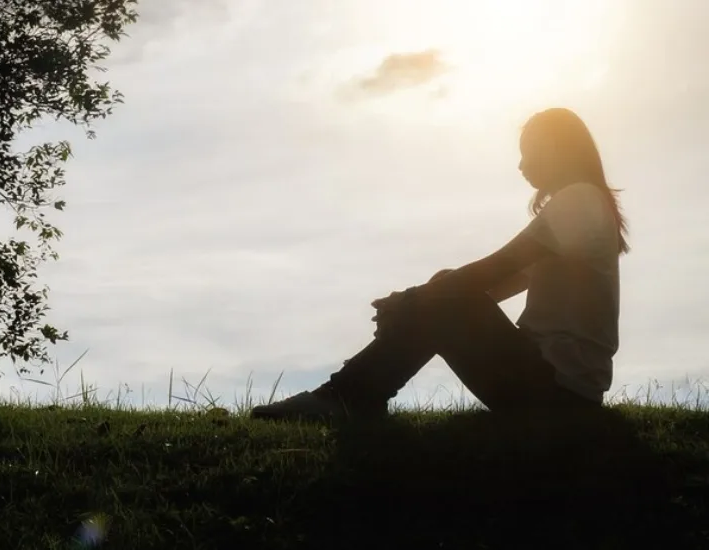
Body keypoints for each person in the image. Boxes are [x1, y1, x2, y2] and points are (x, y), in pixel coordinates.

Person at [251, 107, 629, 423]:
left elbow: (494, 268)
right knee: (446, 288)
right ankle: (353, 394)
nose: (521, 164)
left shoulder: (578, 201)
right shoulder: (584, 205)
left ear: (558, 150)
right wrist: (416, 308)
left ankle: (345, 396)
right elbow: (490, 289)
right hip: (558, 392)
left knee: (446, 291)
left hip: (555, 393)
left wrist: (412, 300)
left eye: (530, 151)